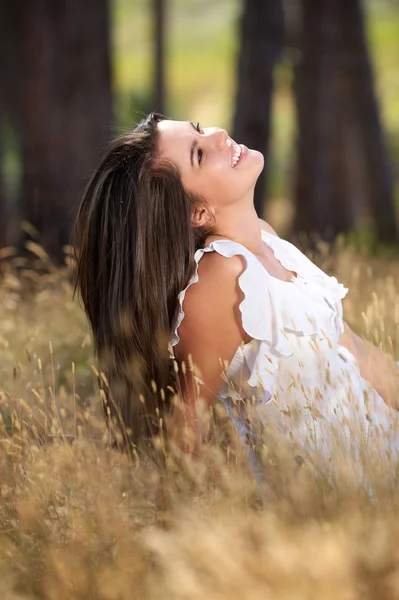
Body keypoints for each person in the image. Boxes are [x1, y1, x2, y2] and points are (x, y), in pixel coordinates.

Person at [73, 112, 399, 473]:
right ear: (197, 212)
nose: (219, 135)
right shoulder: (220, 278)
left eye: (199, 129)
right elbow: (184, 439)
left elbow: (357, 354)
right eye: (199, 154)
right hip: (339, 492)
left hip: (384, 448)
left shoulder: (269, 240)